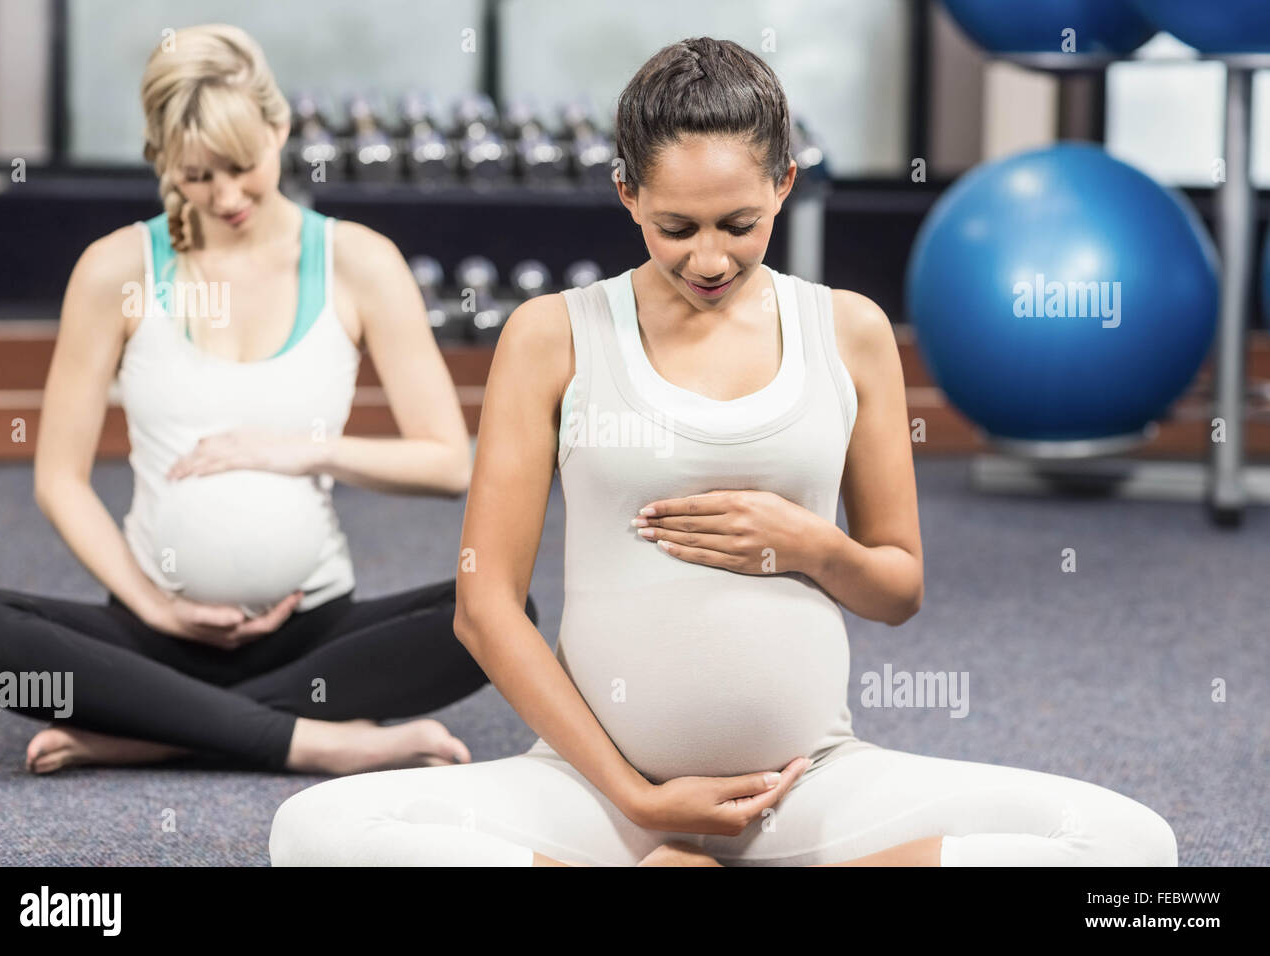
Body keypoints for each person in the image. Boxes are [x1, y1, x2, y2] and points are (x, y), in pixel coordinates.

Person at [268, 37, 1178, 865]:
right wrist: (638, 795)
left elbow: (897, 589)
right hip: (601, 799)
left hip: (809, 787)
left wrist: (812, 545)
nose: (709, 259)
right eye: (677, 227)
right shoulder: (554, 335)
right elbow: (485, 607)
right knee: (315, 832)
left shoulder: (849, 331)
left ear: (785, 182)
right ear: (628, 195)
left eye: (739, 224)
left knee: (1132, 848)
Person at [0, 24, 533, 775]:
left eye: (243, 166)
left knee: (502, 614)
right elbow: (58, 480)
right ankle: (310, 738)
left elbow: (446, 463)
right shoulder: (113, 269)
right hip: (153, 634)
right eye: (198, 176)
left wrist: (301, 449)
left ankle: (158, 728)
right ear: (162, 162)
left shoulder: (358, 261)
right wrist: (154, 604)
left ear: (280, 127)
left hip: (312, 633)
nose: (227, 196)